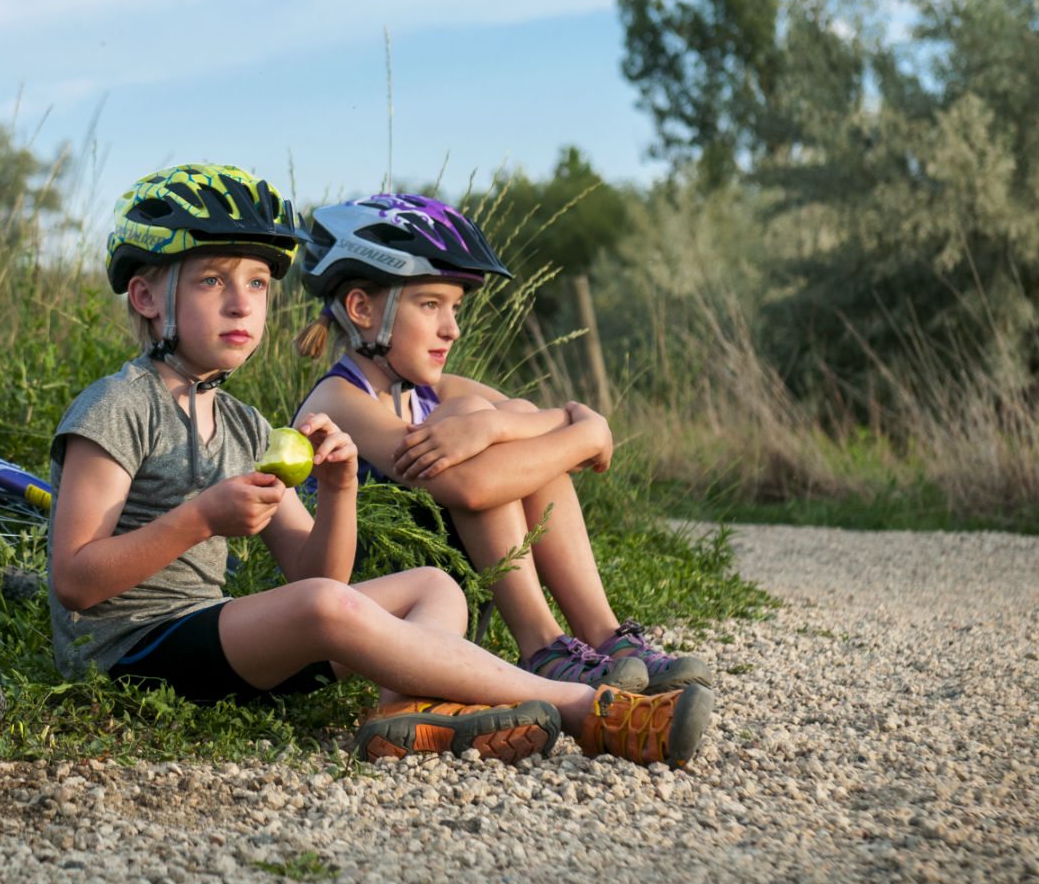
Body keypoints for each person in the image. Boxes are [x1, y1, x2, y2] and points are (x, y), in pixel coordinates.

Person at [47, 165, 713, 767]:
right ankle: (580, 707)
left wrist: (339, 490)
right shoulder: (118, 406)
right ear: (145, 297)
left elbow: (317, 572)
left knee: (434, 589)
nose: (242, 301)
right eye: (212, 280)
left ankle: (403, 709)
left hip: (216, 638)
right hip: (125, 650)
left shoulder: (248, 426)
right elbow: (76, 580)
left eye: (256, 283)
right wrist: (201, 517)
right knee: (321, 607)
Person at [292, 193, 714, 695]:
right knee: (483, 429)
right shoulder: (340, 400)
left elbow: (536, 424)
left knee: (507, 433)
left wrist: (507, 428)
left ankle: (604, 634)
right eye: (430, 305)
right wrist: (578, 431)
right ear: (361, 308)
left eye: (455, 308)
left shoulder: (432, 392)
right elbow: (470, 488)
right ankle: (540, 647)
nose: (452, 329)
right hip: (380, 613)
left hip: (447, 594)